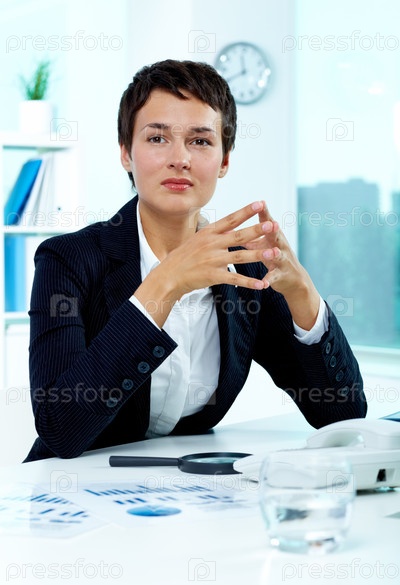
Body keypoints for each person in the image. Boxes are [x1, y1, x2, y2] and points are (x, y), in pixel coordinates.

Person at [24, 59, 366, 462]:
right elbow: (61, 429)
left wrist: (303, 293)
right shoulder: (67, 260)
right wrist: (164, 284)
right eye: (157, 138)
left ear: (224, 161)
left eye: (200, 141)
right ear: (126, 154)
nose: (180, 158)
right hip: (68, 488)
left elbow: (342, 416)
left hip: (186, 489)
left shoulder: (245, 269)